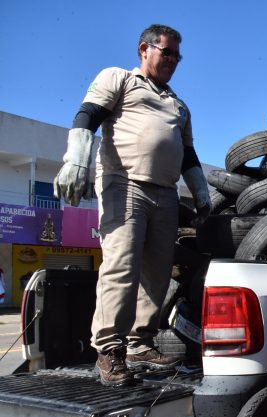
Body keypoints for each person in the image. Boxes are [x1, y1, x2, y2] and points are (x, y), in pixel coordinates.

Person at [54, 24, 211, 387]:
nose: (173, 60)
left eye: (177, 55)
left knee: (156, 273)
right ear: (144, 48)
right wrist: (76, 160)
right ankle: (109, 350)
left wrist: (202, 195)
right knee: (122, 266)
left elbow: (188, 154)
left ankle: (140, 343)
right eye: (166, 52)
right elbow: (87, 116)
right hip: (123, 184)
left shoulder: (178, 104)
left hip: (165, 193)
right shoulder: (120, 79)